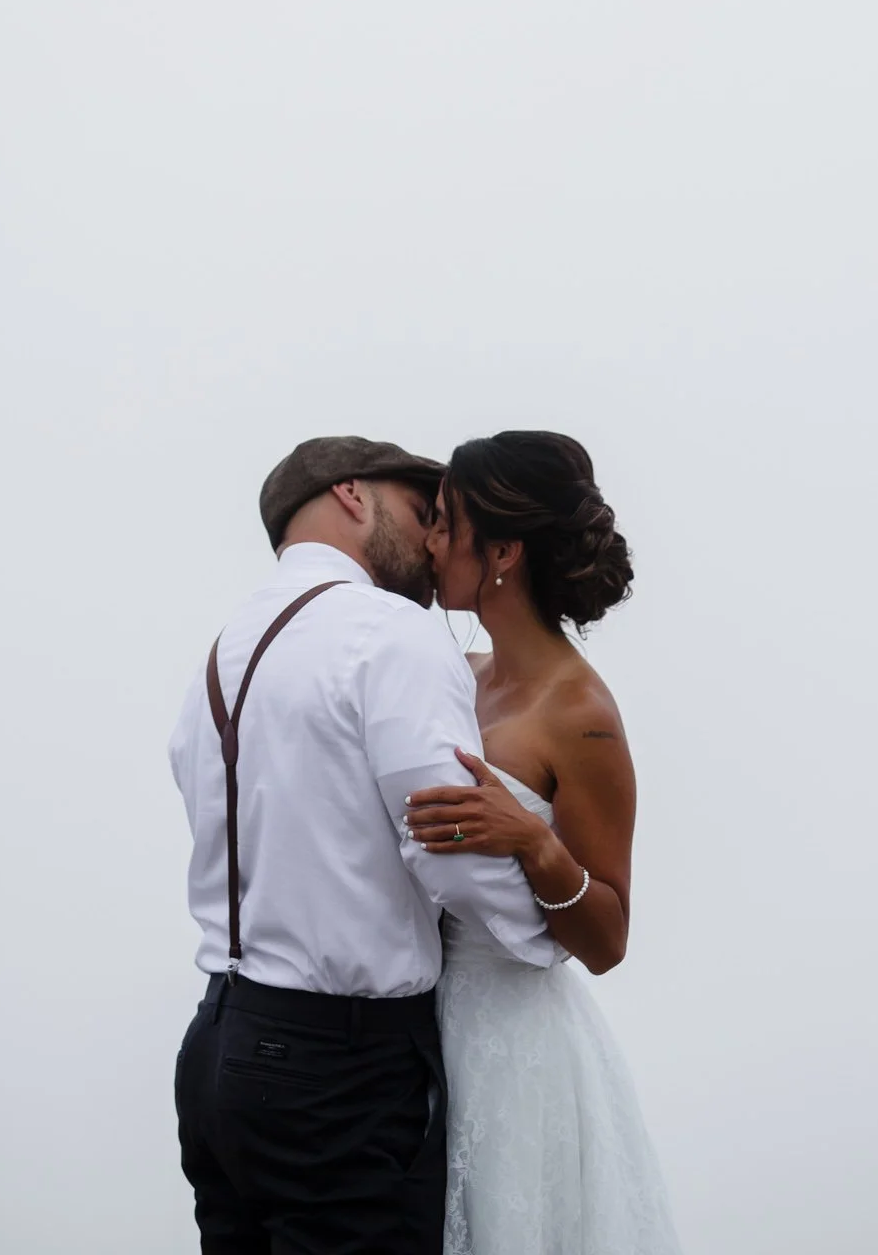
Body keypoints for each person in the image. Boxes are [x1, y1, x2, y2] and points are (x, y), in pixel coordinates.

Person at [168, 434, 560, 1255]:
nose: (435, 541)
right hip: (336, 1066)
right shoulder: (389, 631)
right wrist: (547, 935)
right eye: (423, 512)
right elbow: (446, 836)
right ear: (352, 495)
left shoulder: (226, 648)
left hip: (215, 1047)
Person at [406, 431, 684, 1255]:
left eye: (444, 522)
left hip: (516, 1059)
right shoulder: (457, 674)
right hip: (410, 1034)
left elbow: (607, 939)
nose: (428, 540)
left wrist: (533, 840)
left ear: (502, 552)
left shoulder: (580, 715)